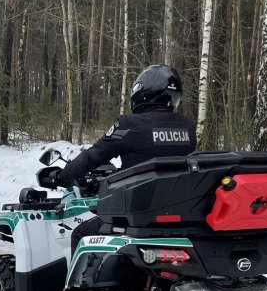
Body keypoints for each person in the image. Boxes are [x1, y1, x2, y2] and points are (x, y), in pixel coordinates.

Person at [55, 64, 197, 253]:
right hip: (178, 212)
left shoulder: (129, 124)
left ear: (142, 92)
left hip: (137, 214)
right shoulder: (188, 127)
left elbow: (93, 156)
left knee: (81, 234)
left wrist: (63, 176)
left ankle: (76, 284)